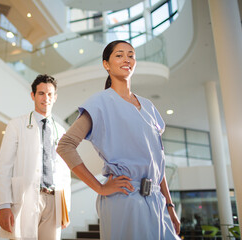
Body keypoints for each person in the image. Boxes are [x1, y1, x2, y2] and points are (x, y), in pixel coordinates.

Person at [57, 40, 181, 239]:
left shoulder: (149, 107)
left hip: (157, 201)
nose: (127, 59)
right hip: (125, 199)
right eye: (119, 55)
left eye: (131, 55)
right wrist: (100, 187)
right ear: (106, 64)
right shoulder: (100, 102)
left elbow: (158, 161)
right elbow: (65, 146)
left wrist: (169, 205)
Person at [0, 74, 71, 240]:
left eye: (50, 94)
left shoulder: (61, 130)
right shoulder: (16, 125)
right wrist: (4, 205)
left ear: (55, 97)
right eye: (41, 93)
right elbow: (4, 166)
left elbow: (65, 172)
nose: (46, 98)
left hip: (53, 200)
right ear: (33, 96)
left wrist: (66, 209)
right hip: (25, 197)